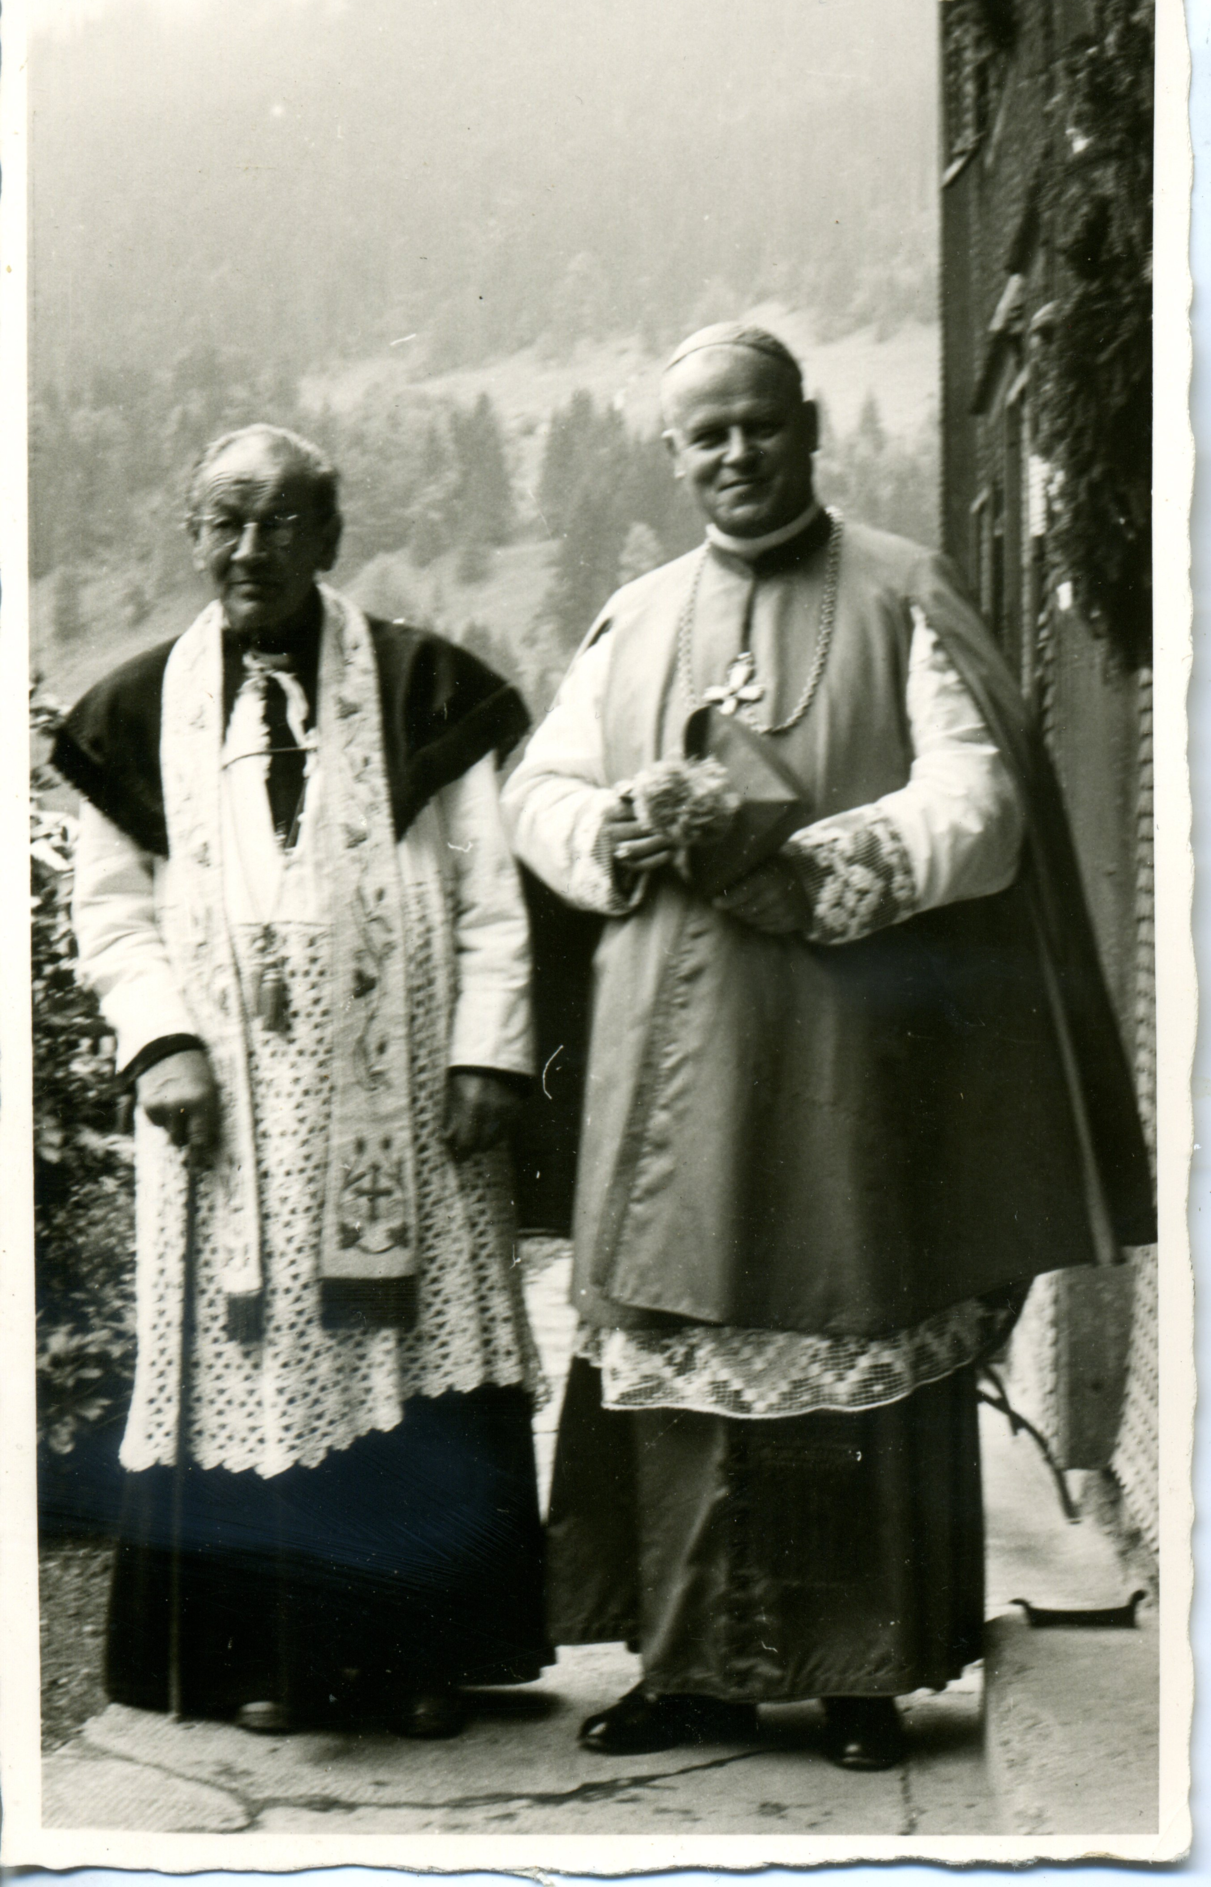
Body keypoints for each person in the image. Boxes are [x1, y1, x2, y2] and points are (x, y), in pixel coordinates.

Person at [501, 324, 1154, 1770]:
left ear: (807, 426)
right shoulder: (633, 616)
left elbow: (978, 806)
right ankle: (687, 1670)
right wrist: (607, 827)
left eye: (759, 425)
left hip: (844, 1053)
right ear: (673, 455)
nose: (736, 455)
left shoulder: (904, 589)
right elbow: (538, 790)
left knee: (849, 1344)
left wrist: (815, 866)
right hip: (667, 1058)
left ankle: (859, 1674)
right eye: (706, 436)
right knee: (675, 1358)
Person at [53, 424, 548, 1739]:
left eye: (279, 522)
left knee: (409, 1367)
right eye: (224, 521)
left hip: (408, 1109)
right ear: (191, 535)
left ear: (329, 536)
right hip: (228, 1118)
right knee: (261, 1367)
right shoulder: (131, 711)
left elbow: (492, 901)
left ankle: (419, 1658)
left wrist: (488, 1050)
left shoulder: (423, 686)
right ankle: (267, 1661)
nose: (249, 549)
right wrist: (162, 1041)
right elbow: (110, 914)